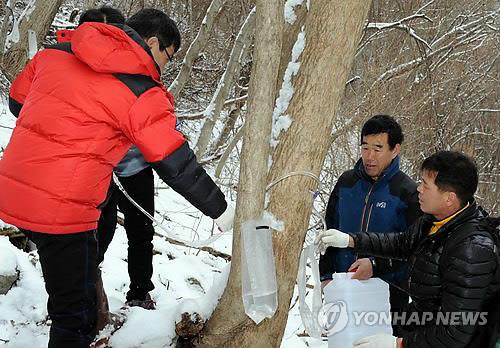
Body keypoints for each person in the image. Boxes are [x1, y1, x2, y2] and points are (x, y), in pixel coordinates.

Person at [1, 8, 234, 348]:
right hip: (63, 211)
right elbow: (175, 163)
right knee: (77, 314)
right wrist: (221, 210)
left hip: (14, 191)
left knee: (68, 289)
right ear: (152, 43)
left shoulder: (55, 52)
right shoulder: (140, 91)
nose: (165, 68)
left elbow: (17, 103)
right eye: (168, 57)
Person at [316, 151, 500, 348]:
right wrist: (350, 240)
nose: (418, 189)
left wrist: (400, 344)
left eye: (425, 185)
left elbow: (455, 331)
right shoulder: (434, 221)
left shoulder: (472, 249)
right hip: (424, 324)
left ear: (449, 198)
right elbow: (403, 243)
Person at [319, 115, 421, 334]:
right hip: (343, 288)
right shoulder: (347, 183)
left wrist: (376, 265)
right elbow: (329, 231)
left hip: (387, 297)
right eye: (365, 148)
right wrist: (326, 276)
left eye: (378, 148)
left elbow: (415, 252)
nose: (369, 156)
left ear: (395, 150)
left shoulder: (407, 192)